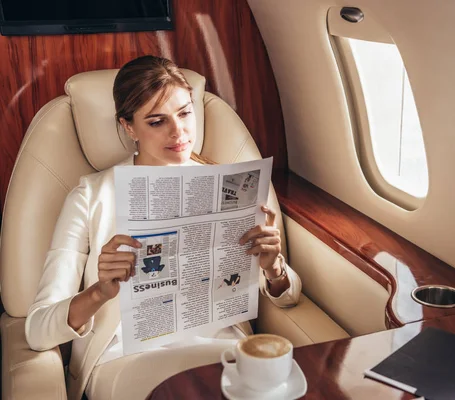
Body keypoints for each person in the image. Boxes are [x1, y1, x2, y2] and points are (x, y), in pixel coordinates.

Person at [24, 55, 302, 400]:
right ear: (128, 127)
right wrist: (99, 292)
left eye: (185, 113)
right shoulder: (91, 196)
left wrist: (274, 268)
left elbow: (289, 298)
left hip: (222, 352)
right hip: (127, 359)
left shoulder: (230, 187)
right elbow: (37, 331)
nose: (179, 132)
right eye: (157, 122)